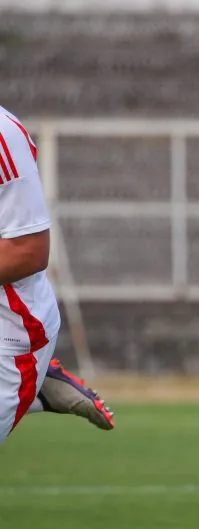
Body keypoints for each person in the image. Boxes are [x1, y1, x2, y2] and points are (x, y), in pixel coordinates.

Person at [1, 105, 114, 447]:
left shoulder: (2, 134)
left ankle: (30, 380)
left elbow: (28, 250)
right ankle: (37, 385)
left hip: (10, 329)